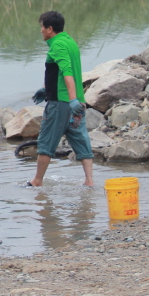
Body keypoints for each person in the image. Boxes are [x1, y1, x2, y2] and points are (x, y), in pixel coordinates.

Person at [27, 11, 94, 187]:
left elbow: (67, 72)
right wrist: (46, 89)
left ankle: (37, 181)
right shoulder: (70, 41)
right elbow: (59, 73)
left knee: (46, 142)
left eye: (42, 27)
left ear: (50, 29)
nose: (41, 30)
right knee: (80, 139)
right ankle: (89, 181)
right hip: (78, 103)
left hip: (61, 103)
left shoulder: (57, 45)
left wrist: (70, 99)